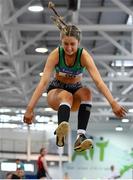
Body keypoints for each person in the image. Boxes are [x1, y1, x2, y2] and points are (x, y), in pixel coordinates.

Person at [23, 1, 127, 152]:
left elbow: (98, 81)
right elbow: (43, 82)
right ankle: (61, 133)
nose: (69, 48)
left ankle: (81, 137)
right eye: (66, 44)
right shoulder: (56, 55)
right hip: (56, 92)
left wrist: (113, 103)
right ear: (61, 41)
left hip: (76, 90)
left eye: (72, 44)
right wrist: (29, 108)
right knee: (66, 96)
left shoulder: (83, 55)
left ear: (78, 43)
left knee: (87, 92)